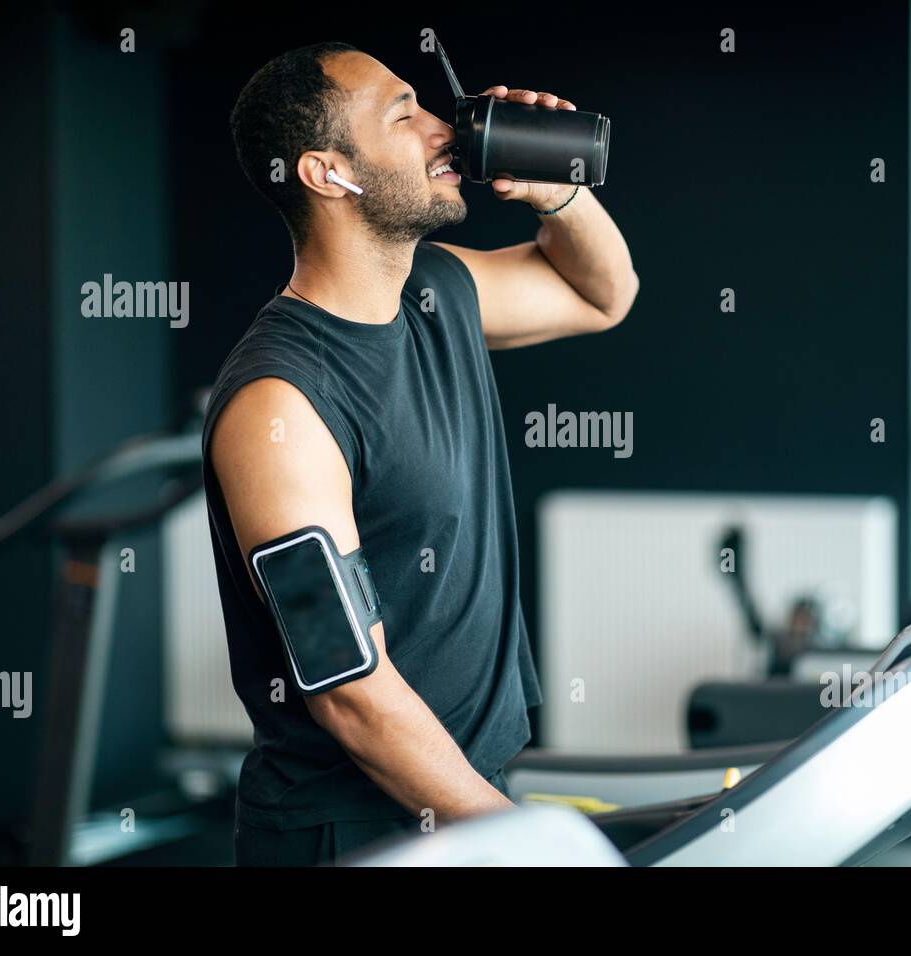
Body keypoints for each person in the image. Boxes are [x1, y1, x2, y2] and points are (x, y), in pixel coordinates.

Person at [206, 41, 638, 865]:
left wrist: (559, 194)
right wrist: (522, 840)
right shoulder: (281, 405)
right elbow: (349, 686)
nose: (448, 130)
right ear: (329, 174)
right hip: (353, 831)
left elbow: (604, 295)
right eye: (407, 115)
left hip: (463, 795)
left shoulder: (438, 292)